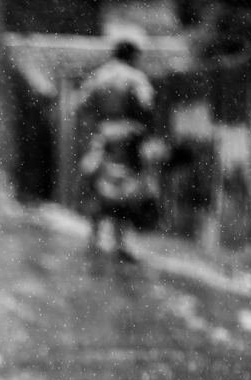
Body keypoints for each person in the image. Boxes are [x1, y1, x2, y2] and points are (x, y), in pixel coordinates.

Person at [77, 37, 156, 262]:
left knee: (97, 186)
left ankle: (94, 236)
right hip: (128, 140)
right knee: (125, 189)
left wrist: (95, 127)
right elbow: (146, 104)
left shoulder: (99, 76)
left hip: (103, 138)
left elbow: (82, 105)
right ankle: (120, 242)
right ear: (132, 56)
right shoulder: (136, 78)